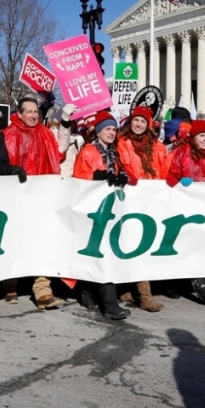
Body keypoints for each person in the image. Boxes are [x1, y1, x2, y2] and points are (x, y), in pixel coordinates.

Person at [0, 94, 72, 310]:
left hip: (41, 199)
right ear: (19, 113)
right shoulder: (7, 136)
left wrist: (65, 123)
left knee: (41, 242)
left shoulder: (45, 134)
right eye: (29, 111)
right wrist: (10, 169)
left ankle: (42, 290)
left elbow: (59, 154)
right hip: (16, 199)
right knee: (14, 242)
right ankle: (10, 284)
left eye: (36, 112)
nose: (33, 115)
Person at [73, 110, 132, 321]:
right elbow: (78, 179)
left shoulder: (113, 153)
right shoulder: (88, 151)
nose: (111, 132)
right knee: (102, 254)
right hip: (93, 211)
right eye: (107, 128)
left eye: (114, 129)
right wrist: (96, 176)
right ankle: (109, 305)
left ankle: (86, 292)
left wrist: (123, 175)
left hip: (110, 209)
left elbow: (122, 172)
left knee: (101, 253)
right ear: (98, 131)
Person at [164, 119, 205, 307]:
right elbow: (169, 174)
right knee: (186, 245)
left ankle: (192, 283)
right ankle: (201, 288)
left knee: (200, 245)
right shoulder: (181, 152)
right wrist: (179, 182)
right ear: (193, 137)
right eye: (202, 135)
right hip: (183, 205)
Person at [115, 106, 170, 312]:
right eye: (136, 120)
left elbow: (164, 168)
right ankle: (145, 296)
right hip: (130, 198)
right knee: (135, 245)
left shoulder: (156, 146)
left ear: (149, 124)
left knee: (143, 245)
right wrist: (129, 176)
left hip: (151, 200)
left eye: (143, 121)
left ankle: (128, 289)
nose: (138, 125)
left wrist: (168, 182)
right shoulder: (122, 142)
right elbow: (122, 164)